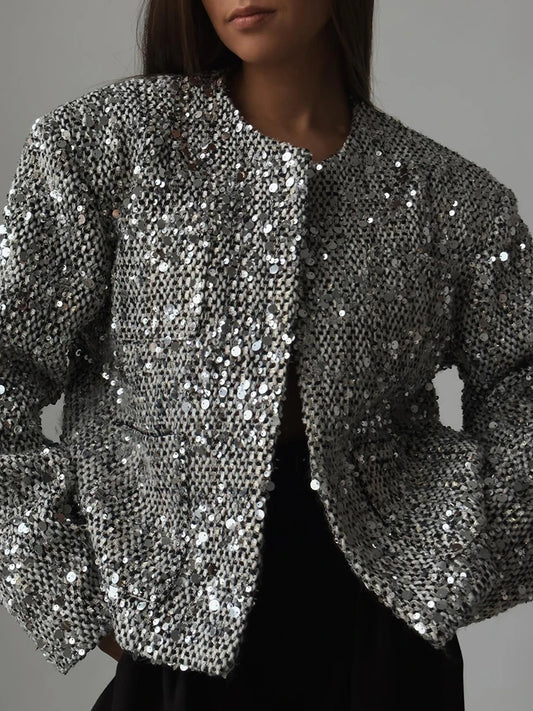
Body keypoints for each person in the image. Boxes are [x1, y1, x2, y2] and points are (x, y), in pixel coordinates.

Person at [1, 1, 531, 710]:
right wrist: (74, 589)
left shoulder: (450, 197)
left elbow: (521, 382)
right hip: (176, 621)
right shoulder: (105, 144)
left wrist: (457, 554)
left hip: (384, 641)